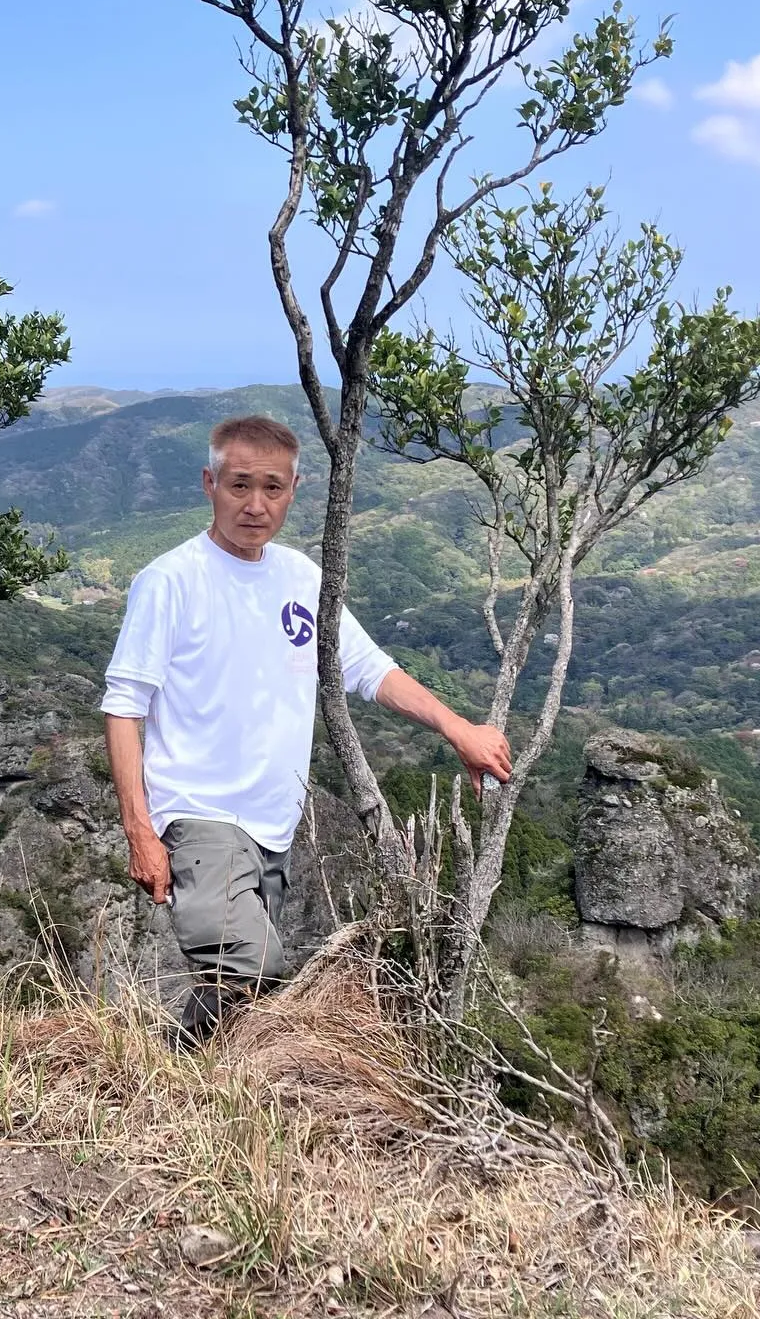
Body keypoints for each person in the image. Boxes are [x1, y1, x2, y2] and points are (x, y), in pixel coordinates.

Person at [101, 414, 511, 1044]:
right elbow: (124, 706)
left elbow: (369, 668)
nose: (255, 505)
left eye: (272, 488)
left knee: (233, 996)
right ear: (209, 483)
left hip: (275, 827)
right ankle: (184, 1080)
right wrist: (140, 830)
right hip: (198, 813)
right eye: (239, 486)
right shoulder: (170, 582)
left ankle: (188, 1088)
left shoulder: (300, 578)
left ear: (295, 489)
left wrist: (458, 729)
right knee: (252, 968)